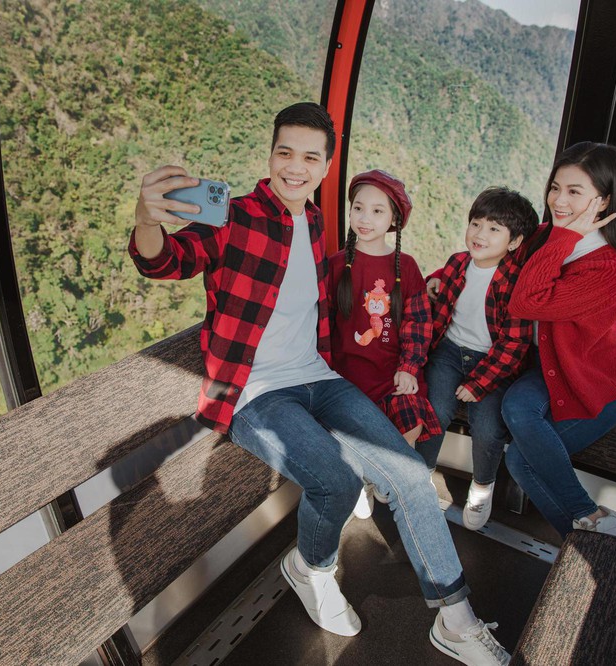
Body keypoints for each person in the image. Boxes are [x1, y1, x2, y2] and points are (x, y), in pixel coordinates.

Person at [129, 102, 510, 665]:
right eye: (285, 153)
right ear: (271, 155)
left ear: (326, 167)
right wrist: (146, 217)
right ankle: (311, 568)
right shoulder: (232, 217)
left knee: (409, 475)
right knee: (335, 480)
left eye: (310, 157)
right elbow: (167, 261)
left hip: (316, 377)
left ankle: (457, 621)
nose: (295, 167)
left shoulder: (313, 222)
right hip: (255, 393)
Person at [502, 141, 616, 540]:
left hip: (597, 382)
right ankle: (594, 533)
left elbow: (526, 301)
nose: (558, 201)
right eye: (555, 187)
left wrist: (562, 239)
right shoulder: (548, 235)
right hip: (553, 367)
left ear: (605, 200)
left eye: (574, 192)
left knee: (520, 461)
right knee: (516, 413)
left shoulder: (613, 266)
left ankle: (588, 537)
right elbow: (498, 263)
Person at [418, 187, 539, 531]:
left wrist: (478, 383)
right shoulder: (458, 262)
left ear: (514, 242)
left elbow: (514, 345)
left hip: (494, 363)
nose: (479, 235)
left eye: (493, 229)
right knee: (435, 409)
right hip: (449, 351)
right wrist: (431, 283)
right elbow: (441, 282)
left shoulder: (515, 283)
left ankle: (482, 486)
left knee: (487, 428)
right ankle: (420, 474)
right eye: (475, 223)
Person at [328, 169, 441, 520]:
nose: (365, 218)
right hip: (345, 377)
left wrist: (409, 368)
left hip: (391, 372)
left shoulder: (405, 268)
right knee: (343, 424)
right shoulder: (334, 265)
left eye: (378, 211)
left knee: (413, 417)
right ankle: (359, 476)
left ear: (394, 220)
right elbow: (320, 326)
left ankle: (376, 475)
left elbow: (418, 324)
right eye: (358, 208)